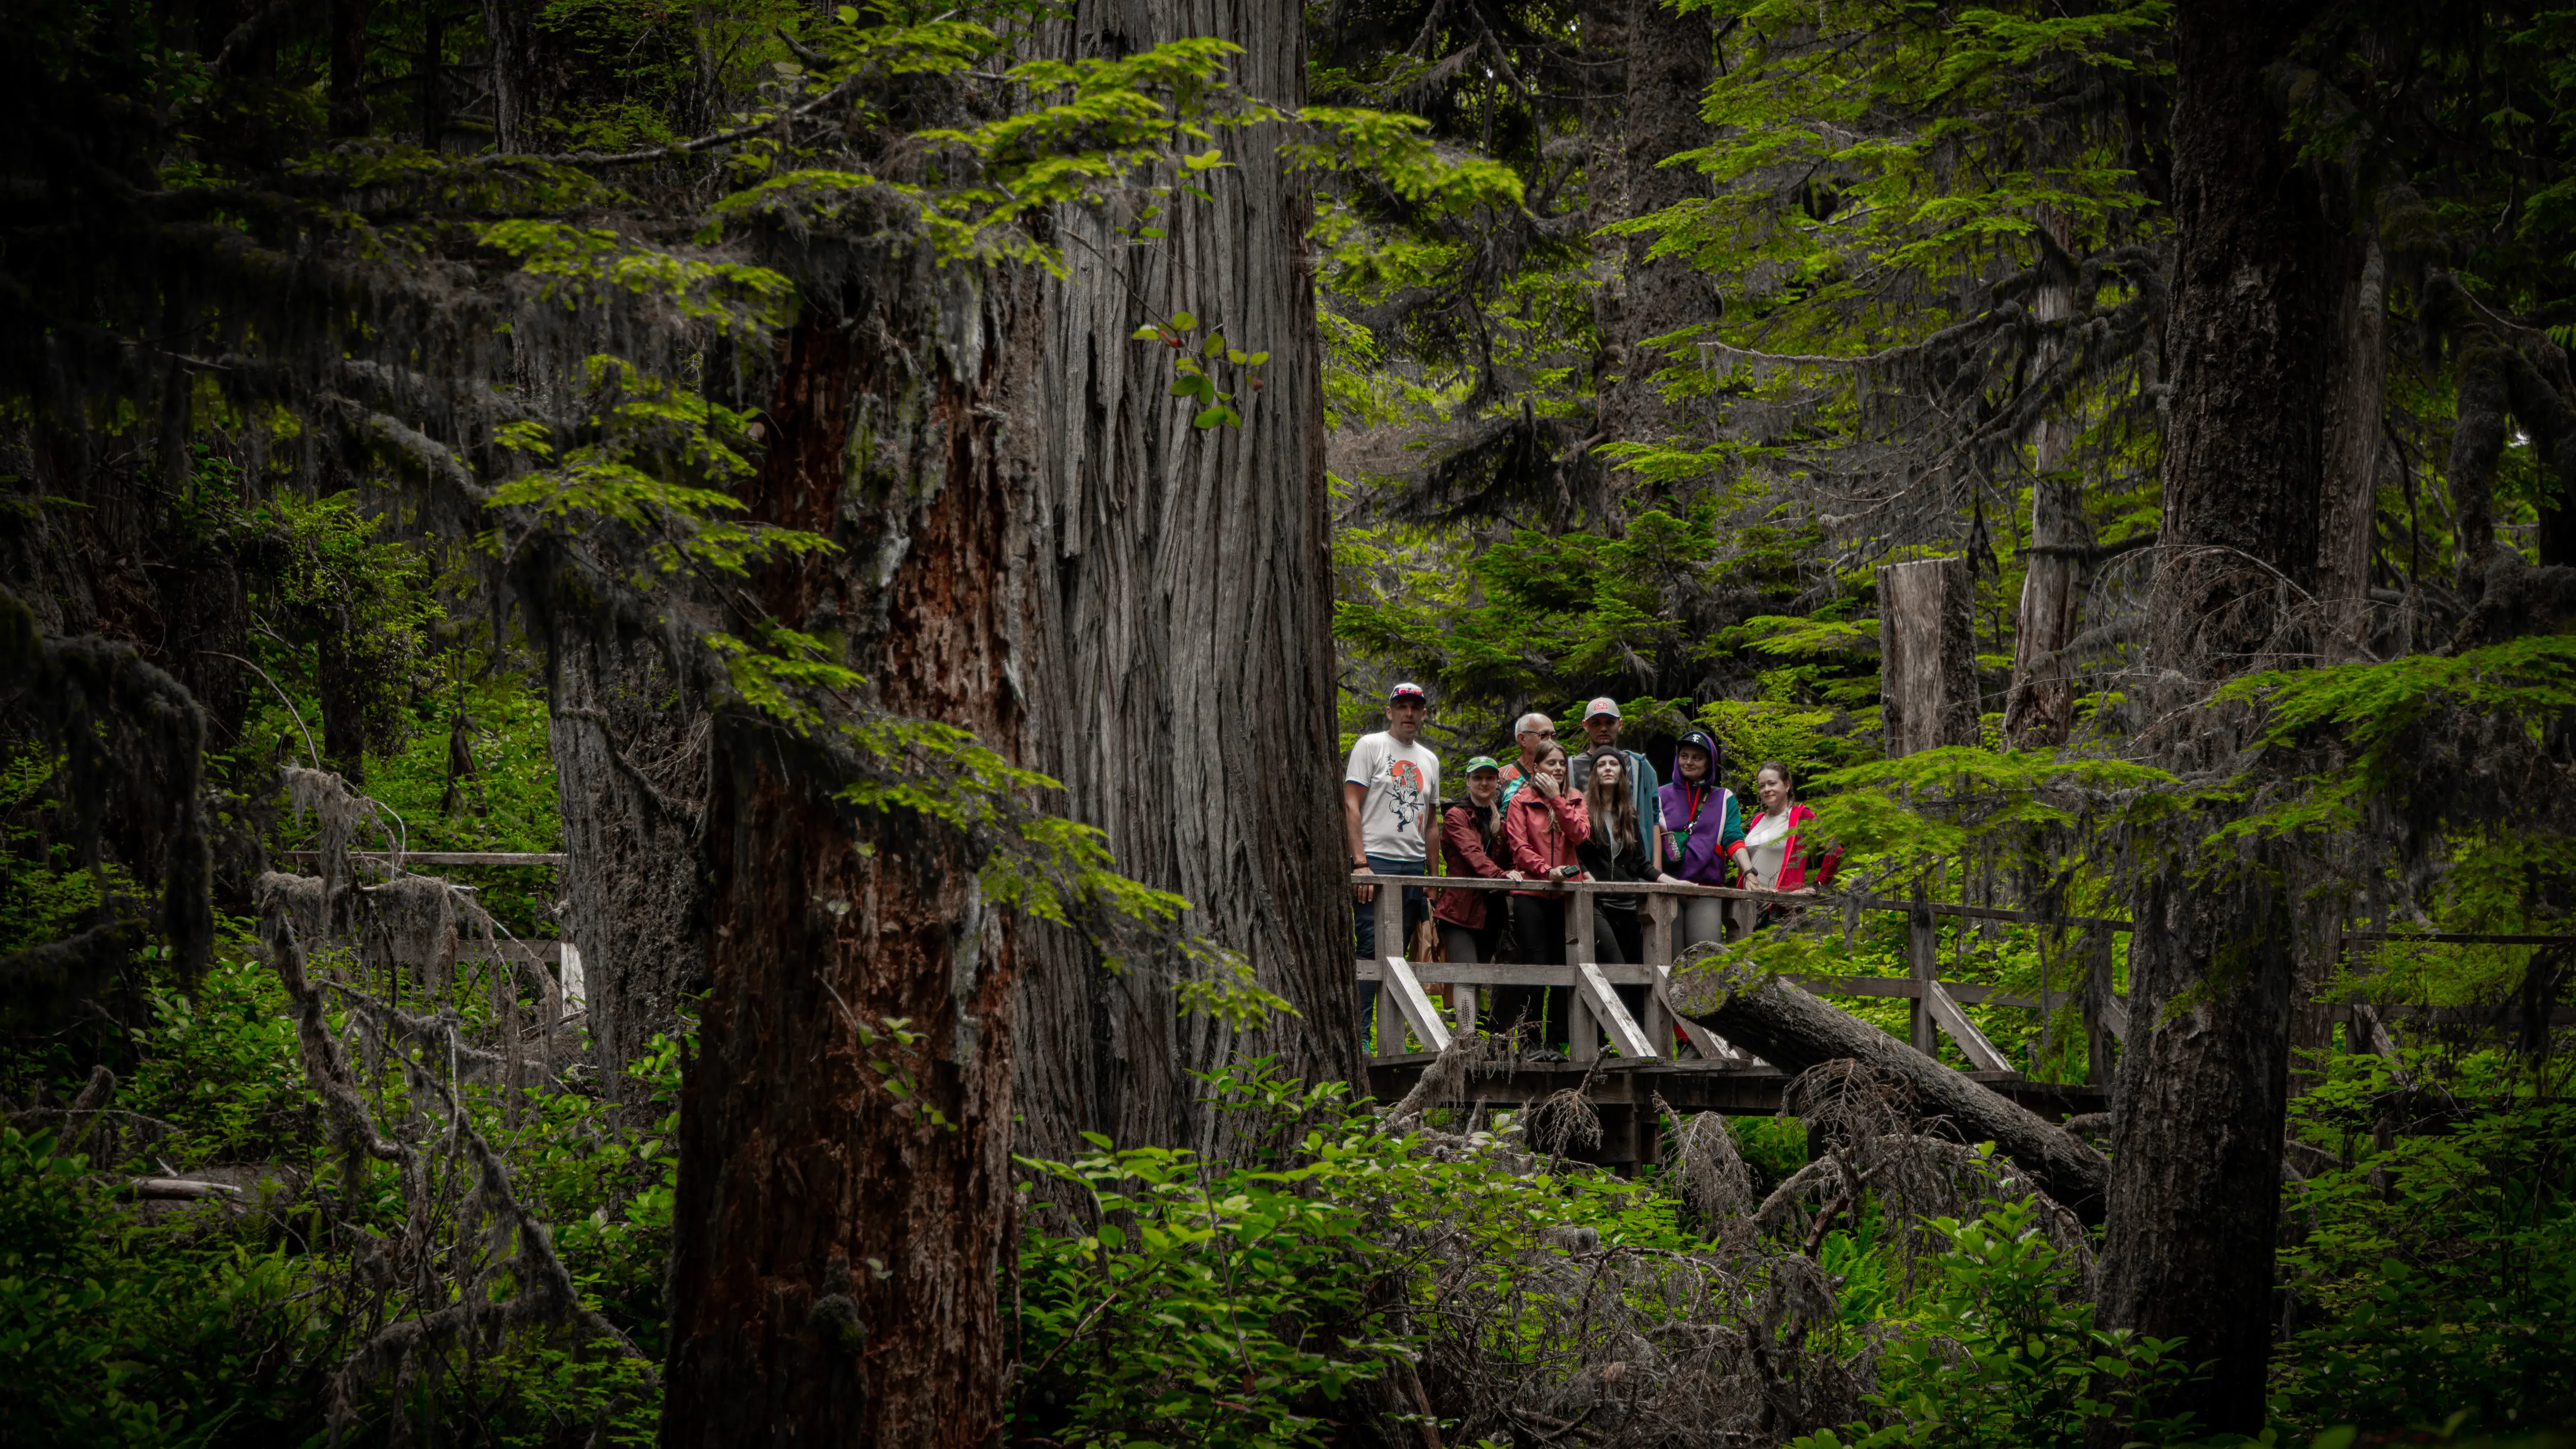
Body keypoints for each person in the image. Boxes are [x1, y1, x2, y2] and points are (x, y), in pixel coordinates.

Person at [1345, 683, 1443, 1026]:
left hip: (1412, 865)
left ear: (1424, 714)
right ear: (1390, 712)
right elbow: (1351, 803)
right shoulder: (1371, 746)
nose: (1409, 714)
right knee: (1372, 945)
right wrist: (1360, 862)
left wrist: (1433, 878)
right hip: (1375, 859)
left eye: (1416, 708)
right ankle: (1360, 1032)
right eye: (1401, 707)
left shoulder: (1429, 760)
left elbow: (1431, 823)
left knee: (1399, 950)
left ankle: (1389, 1032)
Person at [1498, 741, 1587, 1047]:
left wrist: (1557, 800)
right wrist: (1545, 870)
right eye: (1551, 763)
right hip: (1532, 893)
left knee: (1565, 966)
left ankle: (1558, 1042)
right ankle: (1530, 1040)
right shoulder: (1520, 800)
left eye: (1562, 763)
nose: (1559, 769)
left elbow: (1579, 834)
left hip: (1566, 896)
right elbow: (1519, 848)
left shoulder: (1575, 799)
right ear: (1536, 767)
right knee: (1536, 963)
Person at [1655, 729, 1747, 953]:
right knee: (1671, 963)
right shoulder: (1659, 795)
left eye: (1697, 758)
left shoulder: (1724, 798)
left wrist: (1749, 871)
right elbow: (1650, 842)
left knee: (1704, 962)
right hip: (1669, 889)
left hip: (1706, 889)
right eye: (1684, 756)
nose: (1689, 762)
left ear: (1710, 763)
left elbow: (1734, 839)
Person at [1434, 756, 1522, 964]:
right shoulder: (1456, 816)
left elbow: (1512, 860)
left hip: (1491, 912)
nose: (1484, 783)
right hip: (1459, 911)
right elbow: (1472, 853)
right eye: (1478, 778)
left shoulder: (1501, 824)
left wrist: (1518, 875)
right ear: (1468, 781)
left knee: (1479, 978)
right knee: (1466, 977)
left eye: (1490, 778)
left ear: (1498, 782)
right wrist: (1501, 876)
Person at [1574, 750, 1654, 967]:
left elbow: (1641, 864)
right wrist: (1586, 875)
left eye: (1613, 764)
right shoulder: (1582, 811)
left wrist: (1673, 882)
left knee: (1632, 971)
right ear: (1594, 774)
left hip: (1628, 905)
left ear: (1622, 772)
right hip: (1597, 903)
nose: (1608, 768)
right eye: (1601, 765)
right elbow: (1575, 854)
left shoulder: (1629, 814)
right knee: (1615, 966)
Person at [1738, 761, 1841, 924]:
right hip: (1748, 906)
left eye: (1772, 784)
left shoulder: (1801, 815)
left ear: (1787, 786)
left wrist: (1817, 885)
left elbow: (1834, 849)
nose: (1766, 790)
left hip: (1781, 908)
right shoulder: (1758, 820)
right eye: (1762, 786)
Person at [1567, 697, 1660, 838]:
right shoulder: (1570, 768)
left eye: (1610, 723)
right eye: (1596, 723)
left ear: (1620, 724)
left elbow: (1654, 819)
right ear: (1585, 725)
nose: (1603, 729)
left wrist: (1655, 860)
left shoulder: (1639, 767)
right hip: (1585, 853)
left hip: (1633, 852)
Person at [1495, 711, 1556, 805]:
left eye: (1553, 736)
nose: (1551, 741)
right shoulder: (1501, 778)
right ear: (1523, 739)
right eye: (1544, 735)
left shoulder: (1558, 773)